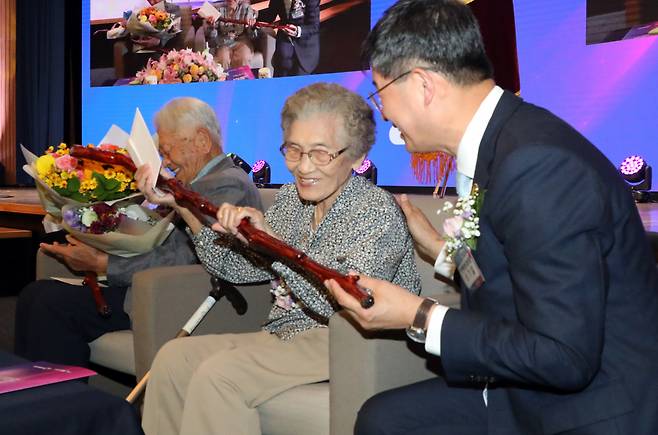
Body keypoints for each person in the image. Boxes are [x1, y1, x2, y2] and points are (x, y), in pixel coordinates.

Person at [323, 1, 658, 434]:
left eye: (380, 92)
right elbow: (518, 268)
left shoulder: (537, 166)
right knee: (382, 420)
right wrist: (444, 254)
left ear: (422, 85)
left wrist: (418, 314)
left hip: (590, 408)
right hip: (524, 387)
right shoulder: (499, 141)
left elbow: (566, 357)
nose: (383, 112)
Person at [136, 83, 421, 435]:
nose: (302, 167)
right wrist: (185, 209)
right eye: (294, 151)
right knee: (172, 360)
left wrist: (272, 244)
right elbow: (237, 270)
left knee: (220, 376)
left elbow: (350, 304)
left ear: (357, 156)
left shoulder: (376, 211)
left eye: (320, 154)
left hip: (349, 341)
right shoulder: (291, 201)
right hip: (285, 334)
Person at [14, 97, 263, 367]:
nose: (165, 162)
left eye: (168, 151)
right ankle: (36, 399)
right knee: (36, 294)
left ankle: (62, 405)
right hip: (149, 285)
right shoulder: (193, 183)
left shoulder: (226, 184)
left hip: (171, 294)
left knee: (47, 303)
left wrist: (105, 264)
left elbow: (185, 258)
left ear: (202, 141)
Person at [258, 0, 319, 77]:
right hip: (284, 43)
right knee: (281, 76)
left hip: (306, 46)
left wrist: (298, 31)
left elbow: (314, 26)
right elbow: (270, 15)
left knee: (300, 82)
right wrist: (254, 15)